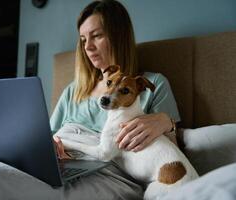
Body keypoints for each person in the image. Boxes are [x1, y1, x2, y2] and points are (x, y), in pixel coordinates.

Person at [49, 0, 181, 199]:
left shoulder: (154, 84)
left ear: (119, 37)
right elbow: (47, 137)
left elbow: (170, 152)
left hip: (111, 176)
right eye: (83, 40)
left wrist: (167, 123)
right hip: (62, 167)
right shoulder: (73, 91)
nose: (88, 47)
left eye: (97, 36)